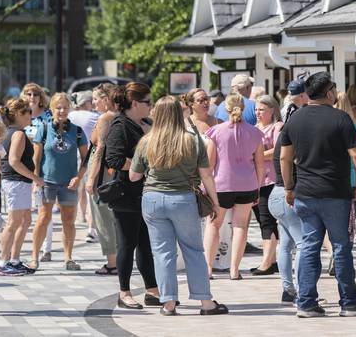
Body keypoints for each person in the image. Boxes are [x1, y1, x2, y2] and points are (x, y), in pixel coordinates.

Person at [280, 72, 356, 318]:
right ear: (330, 92)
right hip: (335, 193)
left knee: (310, 245)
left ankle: (306, 302)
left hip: (305, 193)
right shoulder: (341, 119)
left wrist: (289, 187)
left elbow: (284, 157)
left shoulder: (294, 119)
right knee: (341, 246)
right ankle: (349, 302)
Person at [130, 96, 229, 316]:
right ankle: (205, 302)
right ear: (178, 113)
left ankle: (168, 303)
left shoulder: (146, 141)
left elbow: (134, 176)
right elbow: (207, 175)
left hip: (153, 200)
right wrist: (215, 202)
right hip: (183, 199)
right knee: (193, 250)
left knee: (163, 253)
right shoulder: (192, 140)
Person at [104, 82, 160, 309]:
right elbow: (114, 159)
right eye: (148, 102)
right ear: (134, 103)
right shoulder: (120, 126)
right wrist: (143, 168)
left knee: (146, 244)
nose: (151, 106)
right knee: (127, 243)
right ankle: (124, 292)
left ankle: (152, 289)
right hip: (126, 194)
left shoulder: (144, 123)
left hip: (144, 193)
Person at [204, 93, 264, 280]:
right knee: (240, 227)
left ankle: (208, 269)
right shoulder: (255, 132)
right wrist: (258, 187)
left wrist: (205, 187)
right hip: (247, 185)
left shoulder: (215, 132)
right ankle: (234, 270)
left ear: (226, 109)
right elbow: (259, 164)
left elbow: (209, 164)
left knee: (214, 225)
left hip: (221, 185)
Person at [30, 93, 89, 271]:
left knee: (68, 220)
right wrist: (35, 179)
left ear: (70, 108)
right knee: (43, 218)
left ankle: (68, 257)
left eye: (65, 107)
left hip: (69, 183)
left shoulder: (77, 131)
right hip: (47, 181)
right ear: (52, 109)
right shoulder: (44, 128)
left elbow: (86, 158)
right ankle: (34, 257)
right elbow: (37, 157)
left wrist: (78, 177)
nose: (62, 110)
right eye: (58, 107)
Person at [268, 80, 307, 304]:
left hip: (275, 193)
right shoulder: (292, 139)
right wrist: (291, 188)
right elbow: (287, 161)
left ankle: (287, 288)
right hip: (287, 193)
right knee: (302, 244)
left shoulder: (280, 136)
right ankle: (303, 290)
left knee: (285, 244)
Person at [0, 98, 42, 277]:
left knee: (24, 221)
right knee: (13, 222)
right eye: (28, 112)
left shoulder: (13, 132)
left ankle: (14, 260)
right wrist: (36, 178)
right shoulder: (18, 134)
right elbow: (14, 161)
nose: (31, 115)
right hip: (16, 181)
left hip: (17, 181)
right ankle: (3, 262)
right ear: (18, 115)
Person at [84, 84, 120, 275]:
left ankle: (112, 262)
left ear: (106, 99)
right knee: (112, 216)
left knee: (103, 217)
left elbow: (99, 150)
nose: (93, 102)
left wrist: (90, 179)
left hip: (102, 172)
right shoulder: (121, 116)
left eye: (96, 98)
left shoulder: (106, 118)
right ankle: (117, 259)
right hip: (110, 170)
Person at [21, 83, 54, 262]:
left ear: (41, 97)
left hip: (43, 168)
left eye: (35, 94)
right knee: (22, 211)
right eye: (28, 94)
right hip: (22, 167)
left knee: (44, 210)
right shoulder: (20, 115)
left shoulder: (48, 117)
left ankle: (46, 249)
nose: (32, 97)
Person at [252, 95, 282, 275]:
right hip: (256, 180)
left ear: (272, 110)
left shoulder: (277, 127)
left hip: (271, 179)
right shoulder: (254, 128)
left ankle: (267, 262)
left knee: (267, 221)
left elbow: (278, 150)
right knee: (263, 220)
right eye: (256, 109)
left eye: (261, 109)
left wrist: (257, 156)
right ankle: (270, 259)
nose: (258, 113)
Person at [69, 91, 98, 243]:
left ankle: (80, 217)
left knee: (76, 191)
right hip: (89, 158)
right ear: (87, 103)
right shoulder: (95, 117)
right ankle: (91, 229)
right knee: (90, 192)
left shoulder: (70, 116)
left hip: (71, 158)